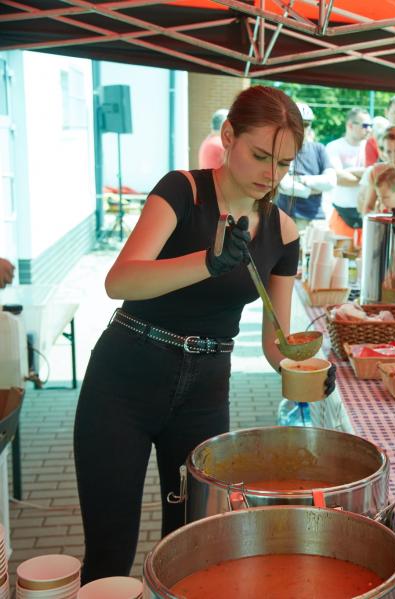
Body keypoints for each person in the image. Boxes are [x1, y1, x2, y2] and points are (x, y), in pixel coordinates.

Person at [73, 86, 332, 582]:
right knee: (109, 554)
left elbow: (276, 343)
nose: (271, 174)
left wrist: (308, 371)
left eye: (284, 163)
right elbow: (119, 281)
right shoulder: (183, 191)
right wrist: (208, 262)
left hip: (205, 392)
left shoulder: (283, 231)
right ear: (228, 136)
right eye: (260, 156)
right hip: (124, 381)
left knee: (194, 550)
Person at [275, 102, 336, 233]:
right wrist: (314, 189)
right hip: (286, 218)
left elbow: (331, 181)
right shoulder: (280, 148)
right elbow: (285, 186)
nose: (301, 128)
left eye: (306, 124)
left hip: (316, 219)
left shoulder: (319, 149)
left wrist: (301, 180)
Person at [326, 107, 372, 239]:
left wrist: (347, 171)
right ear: (350, 125)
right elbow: (338, 178)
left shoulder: (371, 147)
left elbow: (376, 175)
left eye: (371, 126)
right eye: (365, 125)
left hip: (367, 213)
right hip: (341, 213)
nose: (369, 129)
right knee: (340, 251)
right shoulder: (333, 147)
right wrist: (367, 176)